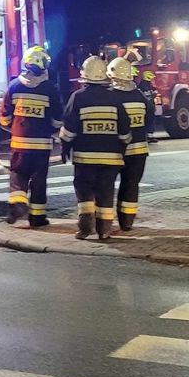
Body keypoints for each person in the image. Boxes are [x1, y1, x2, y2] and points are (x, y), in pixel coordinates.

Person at [60, 55, 131, 239]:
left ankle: (85, 227)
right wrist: (123, 147)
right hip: (111, 159)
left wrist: (65, 148)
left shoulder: (77, 97)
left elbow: (69, 128)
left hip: (85, 159)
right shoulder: (115, 98)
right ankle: (104, 229)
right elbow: (124, 129)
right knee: (106, 192)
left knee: (84, 191)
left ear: (85, 77)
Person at [0, 46, 63, 226]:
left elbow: (4, 116)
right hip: (42, 145)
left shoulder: (14, 86)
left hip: (20, 143)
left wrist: (14, 128)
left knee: (18, 174)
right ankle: (37, 218)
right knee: (39, 180)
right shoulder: (49, 88)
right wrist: (51, 129)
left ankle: (17, 204)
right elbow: (58, 118)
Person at [108, 57, 153, 231]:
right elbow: (149, 120)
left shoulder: (110, 96)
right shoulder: (140, 96)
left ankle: (104, 221)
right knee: (131, 185)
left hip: (116, 150)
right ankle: (127, 222)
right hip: (139, 150)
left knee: (107, 185)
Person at [137, 70, 159, 143]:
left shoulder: (148, 86)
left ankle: (150, 136)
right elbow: (147, 97)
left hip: (149, 107)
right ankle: (147, 136)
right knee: (147, 121)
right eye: (151, 78)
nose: (152, 80)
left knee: (150, 121)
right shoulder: (143, 86)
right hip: (146, 108)